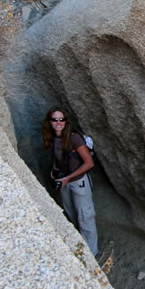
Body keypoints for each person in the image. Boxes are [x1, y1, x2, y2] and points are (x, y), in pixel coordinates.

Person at [42, 107, 98, 257]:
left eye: (61, 119)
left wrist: (67, 178)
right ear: (50, 122)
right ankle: (80, 248)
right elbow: (57, 159)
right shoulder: (53, 138)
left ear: (66, 121)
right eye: (55, 119)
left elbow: (89, 163)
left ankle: (92, 256)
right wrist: (55, 173)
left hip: (79, 183)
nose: (58, 123)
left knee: (85, 217)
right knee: (71, 214)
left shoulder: (74, 138)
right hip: (64, 182)